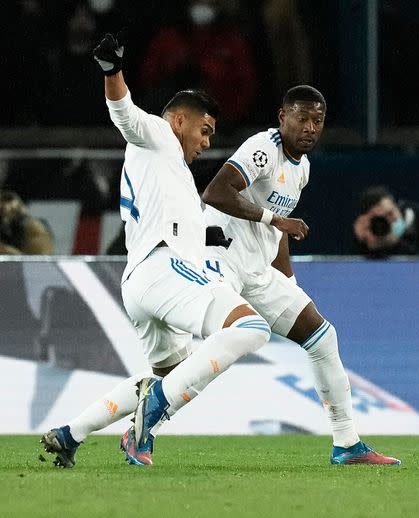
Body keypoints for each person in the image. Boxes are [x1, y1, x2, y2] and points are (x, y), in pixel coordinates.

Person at [41, 32, 273, 467]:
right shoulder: (158, 136)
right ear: (179, 121)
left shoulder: (170, 174)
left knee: (168, 377)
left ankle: (71, 433)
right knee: (250, 329)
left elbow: (174, 219)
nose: (206, 143)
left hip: (142, 281)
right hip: (164, 270)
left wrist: (210, 238)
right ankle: (144, 423)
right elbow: (125, 114)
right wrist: (113, 70)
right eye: (204, 131)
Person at [200, 86, 400, 464]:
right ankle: (144, 426)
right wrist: (274, 219)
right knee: (200, 351)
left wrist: (288, 286)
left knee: (323, 338)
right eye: (302, 118)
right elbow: (216, 192)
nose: (310, 127)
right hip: (220, 259)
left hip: (256, 271)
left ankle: (346, 443)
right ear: (282, 117)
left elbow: (281, 233)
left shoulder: (301, 169)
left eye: (318, 121)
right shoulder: (262, 148)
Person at [353, 186, 419, 258]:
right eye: (381, 218)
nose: (389, 220)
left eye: (390, 213)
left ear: (397, 207)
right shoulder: (365, 234)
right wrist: (363, 244)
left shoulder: (415, 218)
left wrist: (395, 243)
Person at [0, 190, 54, 255]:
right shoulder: (10, 226)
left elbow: (40, 254)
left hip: (31, 260)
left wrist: (10, 251)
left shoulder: (30, 225)